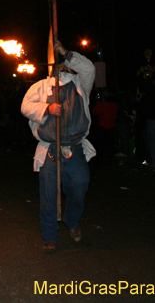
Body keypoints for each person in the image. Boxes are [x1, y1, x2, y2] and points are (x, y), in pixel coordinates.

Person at [21, 40, 95, 254]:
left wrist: (66, 52)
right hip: (50, 149)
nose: (60, 67)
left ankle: (71, 221)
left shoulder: (81, 84)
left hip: (75, 147)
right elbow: (25, 106)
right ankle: (50, 236)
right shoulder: (40, 87)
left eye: (63, 63)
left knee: (80, 185)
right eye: (57, 63)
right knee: (48, 194)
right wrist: (47, 108)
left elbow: (89, 67)